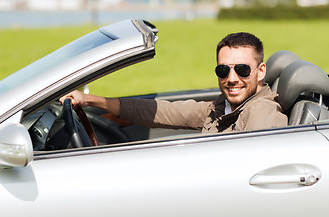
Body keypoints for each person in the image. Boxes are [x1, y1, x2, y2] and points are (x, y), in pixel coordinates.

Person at [60, 32, 288, 133]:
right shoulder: (224, 108)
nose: (231, 79)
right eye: (223, 70)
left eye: (242, 69)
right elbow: (167, 112)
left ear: (260, 72)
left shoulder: (262, 114)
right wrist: (90, 100)